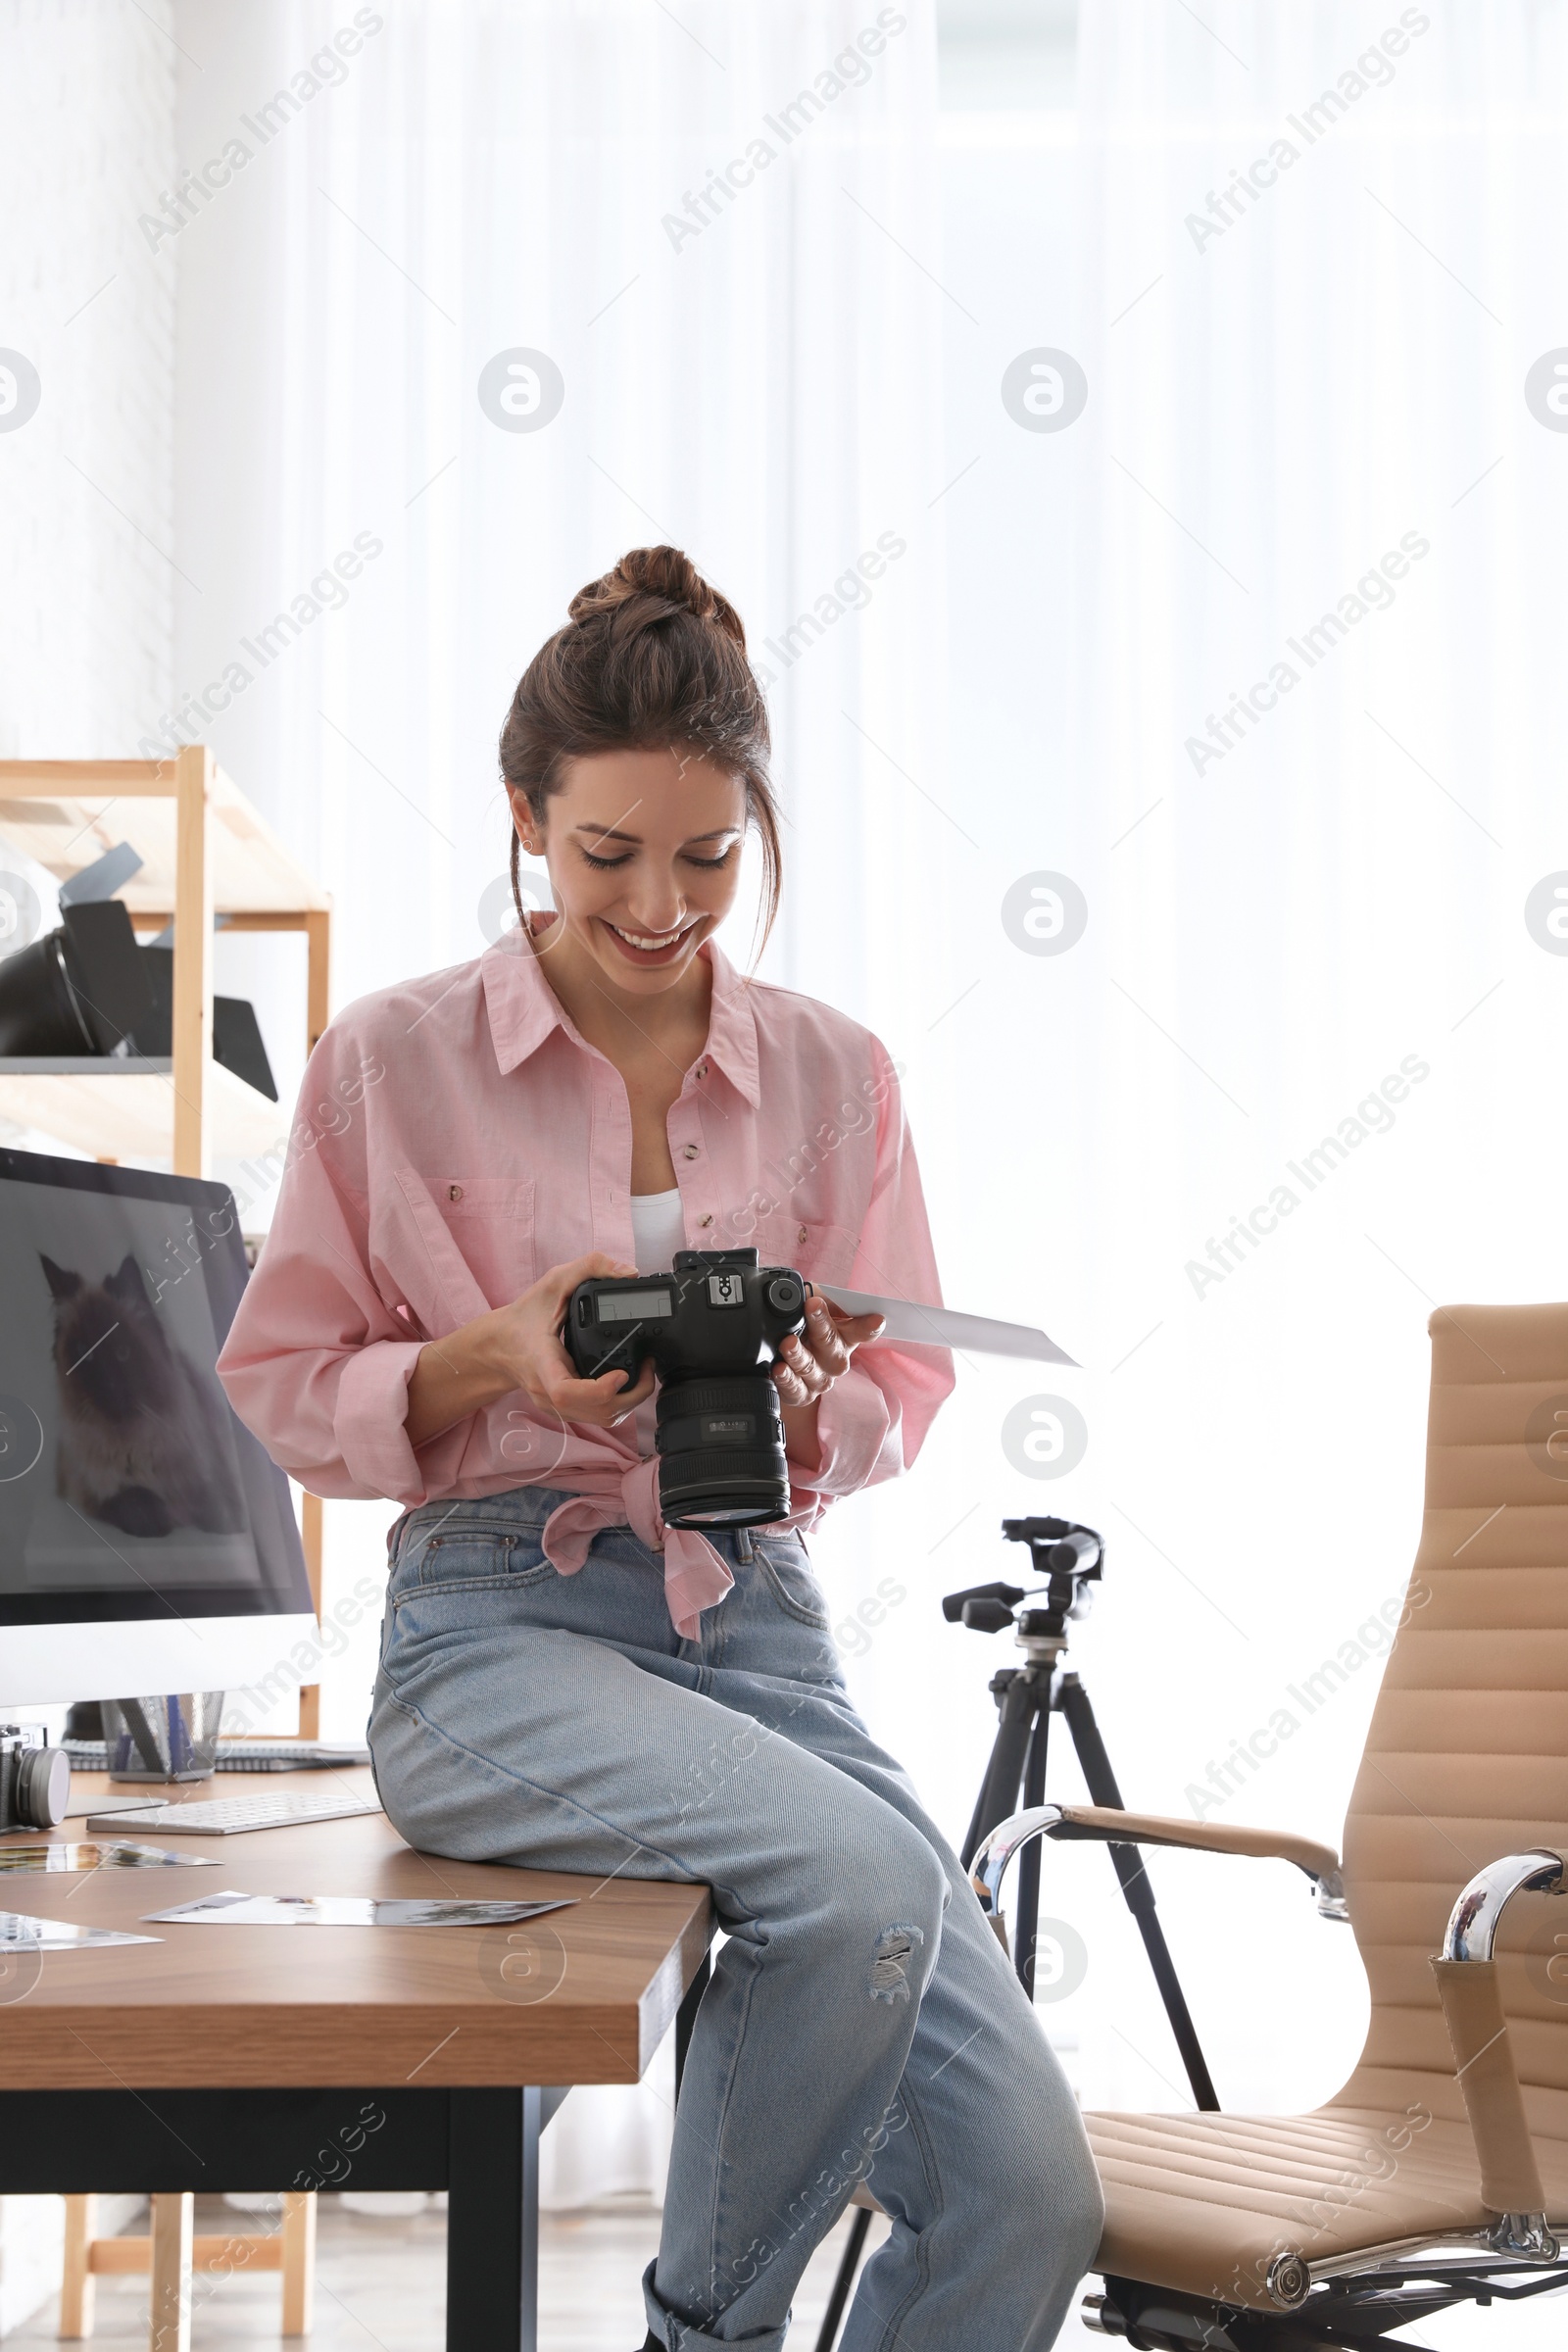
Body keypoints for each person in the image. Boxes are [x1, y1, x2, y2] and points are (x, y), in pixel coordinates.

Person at [218, 546, 1102, 2351]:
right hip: (497, 1635)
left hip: (752, 1616)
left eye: (707, 856)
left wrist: (806, 1418)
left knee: (1030, 2197)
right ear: (524, 817)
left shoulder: (835, 1073)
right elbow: (285, 1379)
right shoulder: (390, 1060)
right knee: (852, 1883)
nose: (660, 904)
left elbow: (895, 1395)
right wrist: (482, 1359)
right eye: (607, 853)